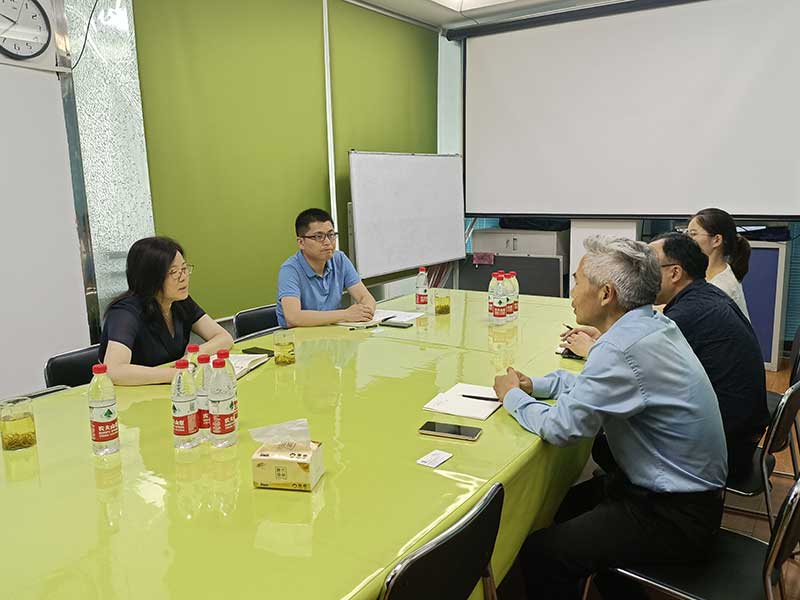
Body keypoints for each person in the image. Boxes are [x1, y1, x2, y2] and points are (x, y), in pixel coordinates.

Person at [493, 235, 727, 600]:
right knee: (558, 505)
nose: (571, 291)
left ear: (605, 295)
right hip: (686, 497)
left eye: (576, 281)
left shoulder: (620, 347)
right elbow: (598, 386)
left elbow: (562, 427)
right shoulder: (650, 325)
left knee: (540, 555)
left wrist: (513, 398)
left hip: (675, 515)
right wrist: (535, 385)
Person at [562, 233, 768, 480]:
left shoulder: (687, 315)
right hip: (741, 430)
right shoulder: (701, 298)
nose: (641, 272)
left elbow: (627, 362)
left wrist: (594, 348)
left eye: (650, 265)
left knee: (603, 434)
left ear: (675, 273)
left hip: (724, 448)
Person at [100, 237, 233, 386]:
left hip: (172, 390)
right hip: (130, 398)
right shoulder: (125, 313)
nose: (183, 277)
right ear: (151, 278)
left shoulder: (180, 301)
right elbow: (114, 371)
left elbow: (224, 337)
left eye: (184, 269)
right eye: (174, 272)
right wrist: (175, 373)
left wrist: (194, 356)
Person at [277, 208, 376, 328]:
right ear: (301, 243)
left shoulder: (339, 259)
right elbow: (294, 317)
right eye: (319, 237)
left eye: (331, 235)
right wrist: (345, 314)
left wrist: (365, 312)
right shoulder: (290, 270)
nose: (328, 242)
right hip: (300, 340)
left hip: (333, 334)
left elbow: (365, 297)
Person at [687, 207, 751, 319]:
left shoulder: (721, 287)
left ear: (716, 240)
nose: (687, 240)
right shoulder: (704, 276)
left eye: (693, 234)